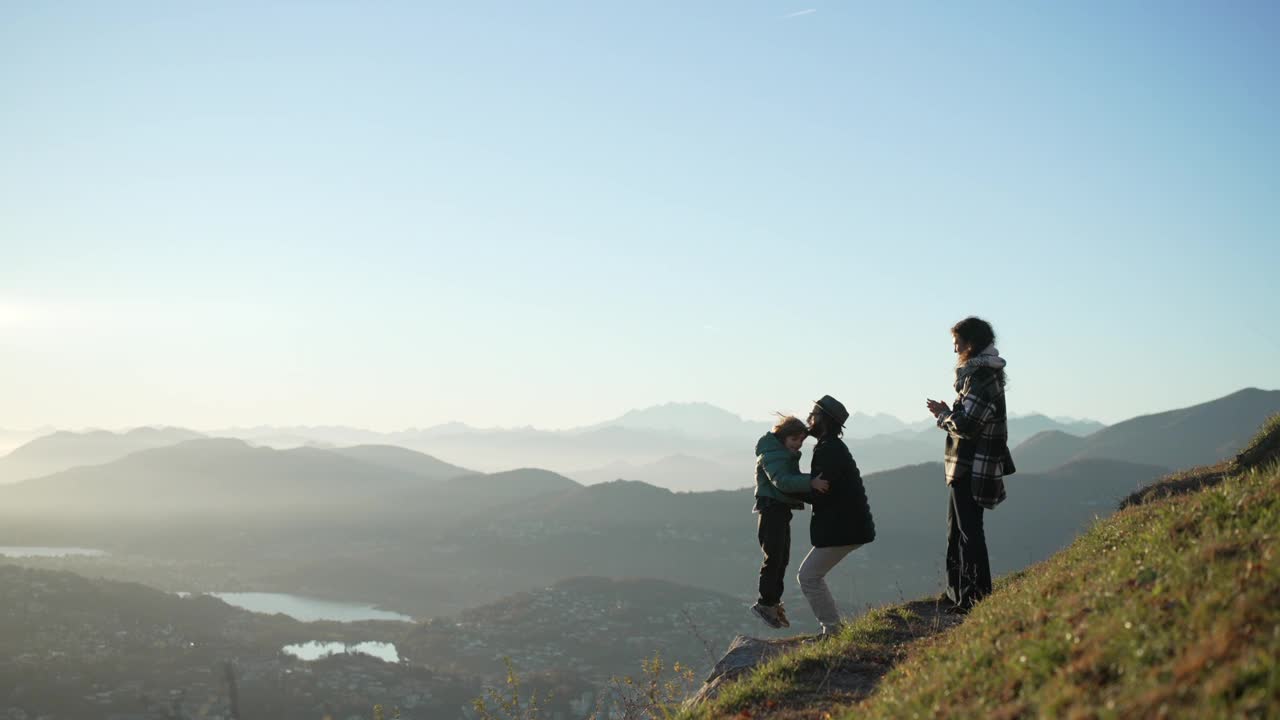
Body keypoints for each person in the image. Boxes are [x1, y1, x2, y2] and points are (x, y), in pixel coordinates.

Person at [926, 316, 1015, 614]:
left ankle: (974, 597)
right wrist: (949, 411)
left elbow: (969, 424)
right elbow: (971, 416)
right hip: (970, 464)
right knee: (958, 531)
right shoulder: (981, 375)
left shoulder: (979, 378)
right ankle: (959, 594)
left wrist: (943, 417)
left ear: (970, 344)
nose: (955, 351)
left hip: (971, 466)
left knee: (968, 533)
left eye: (957, 344)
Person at [797, 395, 875, 636]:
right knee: (811, 575)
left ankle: (832, 630)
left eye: (814, 414)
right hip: (850, 526)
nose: (809, 418)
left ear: (824, 420)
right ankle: (832, 629)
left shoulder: (828, 450)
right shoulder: (830, 447)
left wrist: (787, 490)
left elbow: (822, 491)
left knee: (808, 576)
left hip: (845, 528)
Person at [751, 415, 828, 629]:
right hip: (771, 511)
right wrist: (811, 482)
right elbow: (782, 481)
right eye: (794, 440)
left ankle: (772, 602)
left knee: (781, 557)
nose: (798, 445)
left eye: (801, 441)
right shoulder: (772, 455)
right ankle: (766, 603)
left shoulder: (781, 453)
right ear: (783, 437)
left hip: (780, 511)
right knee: (774, 557)